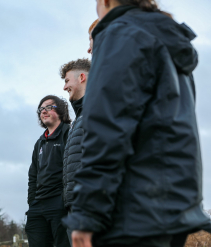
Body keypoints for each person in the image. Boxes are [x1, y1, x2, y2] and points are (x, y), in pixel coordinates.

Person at [63, 0, 211, 247]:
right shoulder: (167, 41)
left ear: (106, 2)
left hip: (131, 210)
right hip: (173, 208)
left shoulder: (120, 33)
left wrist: (88, 213)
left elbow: (108, 130)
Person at [25, 95, 72, 247]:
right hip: (38, 205)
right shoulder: (39, 142)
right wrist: (32, 202)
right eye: (41, 109)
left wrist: (65, 201)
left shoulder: (69, 134)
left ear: (61, 111)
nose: (44, 111)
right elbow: (33, 175)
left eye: (49, 107)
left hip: (60, 203)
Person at [60, 58, 91, 246]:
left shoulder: (98, 111)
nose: (64, 87)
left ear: (81, 77)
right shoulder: (79, 119)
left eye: (66, 81)